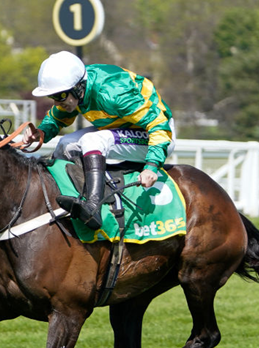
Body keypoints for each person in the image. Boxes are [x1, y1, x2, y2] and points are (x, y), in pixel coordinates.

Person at [23, 51, 176, 230]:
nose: (57, 103)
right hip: (120, 131)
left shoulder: (113, 93)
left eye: (61, 96)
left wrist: (152, 165)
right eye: (53, 97)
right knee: (66, 143)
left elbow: (158, 124)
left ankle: (93, 208)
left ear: (79, 88)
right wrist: (41, 133)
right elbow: (58, 117)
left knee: (92, 141)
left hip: (156, 135)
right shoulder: (76, 88)